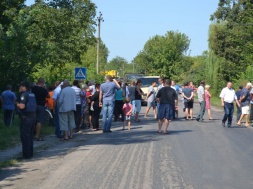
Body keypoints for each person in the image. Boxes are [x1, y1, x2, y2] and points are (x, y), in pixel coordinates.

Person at [16, 81, 36, 159]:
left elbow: (22, 106)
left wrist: (16, 104)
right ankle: (30, 153)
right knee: (30, 136)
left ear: (24, 87)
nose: (19, 88)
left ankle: (26, 155)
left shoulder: (24, 95)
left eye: (20, 86)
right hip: (33, 116)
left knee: (25, 136)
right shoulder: (32, 94)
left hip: (26, 118)